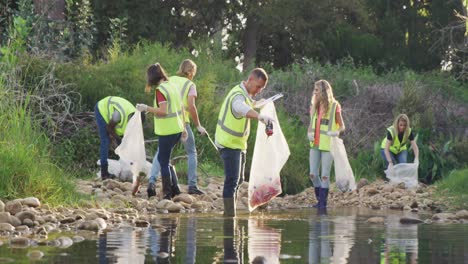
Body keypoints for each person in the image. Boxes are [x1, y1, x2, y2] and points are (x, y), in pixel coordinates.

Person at [214, 68, 274, 217]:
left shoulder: (245, 95)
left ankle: (230, 213)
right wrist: (259, 117)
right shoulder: (237, 96)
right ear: (250, 80)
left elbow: (247, 104)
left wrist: (257, 104)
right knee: (232, 180)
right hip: (228, 143)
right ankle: (229, 216)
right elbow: (240, 108)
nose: (259, 90)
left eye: (262, 88)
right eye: (258, 86)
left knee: (239, 179)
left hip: (239, 145)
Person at [147, 59, 206, 197]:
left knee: (161, 154)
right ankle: (191, 185)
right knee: (191, 152)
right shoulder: (190, 84)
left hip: (168, 126)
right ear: (191, 72)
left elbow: (164, 107)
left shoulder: (170, 80)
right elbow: (190, 106)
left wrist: (147, 108)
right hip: (182, 123)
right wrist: (198, 126)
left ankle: (153, 182)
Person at [136, 63, 187, 200]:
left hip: (167, 131)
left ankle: (167, 194)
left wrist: (146, 107)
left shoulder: (160, 91)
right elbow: (182, 108)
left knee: (163, 162)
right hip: (177, 129)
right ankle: (175, 189)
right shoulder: (172, 86)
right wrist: (184, 128)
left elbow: (163, 111)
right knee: (166, 159)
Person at [307, 80, 345, 209]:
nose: (314, 92)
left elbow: (342, 126)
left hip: (328, 145)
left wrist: (336, 132)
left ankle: (322, 204)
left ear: (323, 91)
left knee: (324, 175)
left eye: (316, 90)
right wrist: (309, 133)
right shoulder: (314, 105)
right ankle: (320, 200)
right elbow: (311, 123)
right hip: (315, 144)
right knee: (313, 174)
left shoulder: (335, 106)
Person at [95, 96, 143, 180]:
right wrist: (117, 138)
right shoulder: (118, 115)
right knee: (105, 141)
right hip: (102, 109)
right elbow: (109, 128)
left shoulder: (136, 116)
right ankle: (104, 172)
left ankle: (128, 169)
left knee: (123, 144)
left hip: (114, 117)